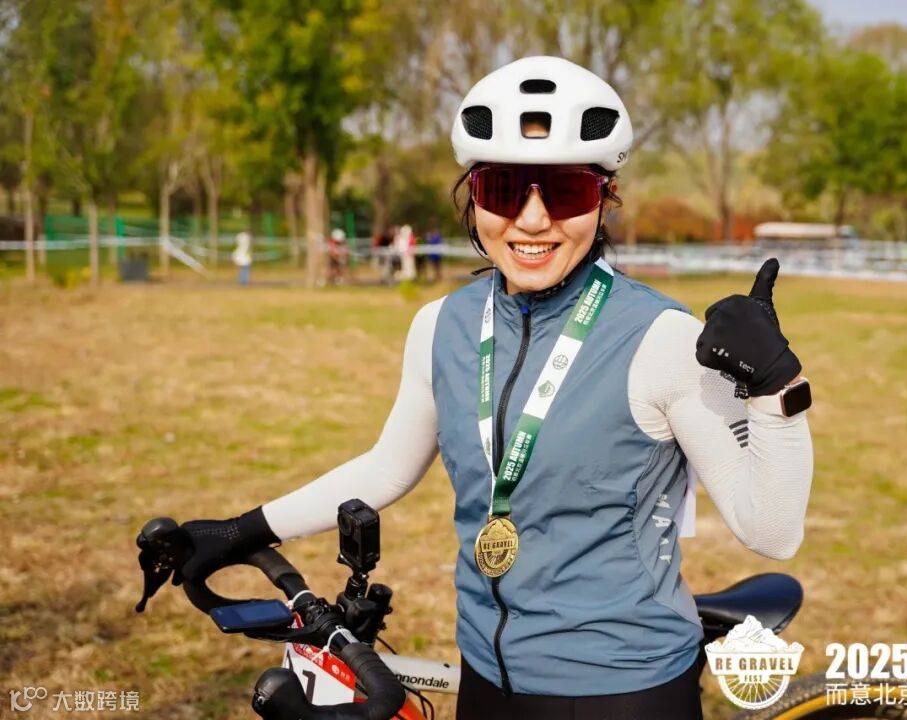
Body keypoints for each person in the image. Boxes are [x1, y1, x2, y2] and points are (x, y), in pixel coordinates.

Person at [161, 57, 813, 720]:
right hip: (486, 674)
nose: (532, 221)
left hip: (621, 687)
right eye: (503, 189)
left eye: (565, 193)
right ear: (473, 197)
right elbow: (386, 468)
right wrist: (240, 529)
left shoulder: (663, 338)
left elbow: (772, 530)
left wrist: (777, 389)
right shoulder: (440, 325)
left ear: (604, 199)